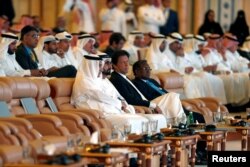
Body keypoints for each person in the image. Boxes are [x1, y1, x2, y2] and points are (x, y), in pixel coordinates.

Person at [71, 53, 156, 133]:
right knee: (133, 121)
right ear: (92, 65)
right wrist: (120, 105)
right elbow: (101, 96)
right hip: (99, 114)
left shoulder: (103, 80)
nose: (108, 67)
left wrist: (126, 106)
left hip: (111, 110)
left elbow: (117, 95)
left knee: (147, 120)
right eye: (102, 64)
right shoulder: (84, 81)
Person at [110, 50, 186, 122]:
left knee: (173, 97)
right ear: (114, 65)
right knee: (172, 96)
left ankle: (179, 122)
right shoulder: (116, 79)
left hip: (147, 102)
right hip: (144, 104)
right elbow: (129, 99)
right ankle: (181, 122)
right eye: (123, 62)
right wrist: (152, 105)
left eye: (127, 62)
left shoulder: (125, 77)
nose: (127, 65)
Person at [132, 60, 205, 123]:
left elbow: (164, 92)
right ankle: (181, 121)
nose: (148, 71)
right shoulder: (135, 83)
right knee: (173, 95)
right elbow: (147, 97)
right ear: (137, 71)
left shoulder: (152, 81)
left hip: (169, 102)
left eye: (149, 68)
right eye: (145, 68)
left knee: (199, 117)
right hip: (159, 104)